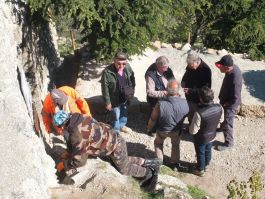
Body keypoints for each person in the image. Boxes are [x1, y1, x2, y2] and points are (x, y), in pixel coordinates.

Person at [52, 110, 162, 190]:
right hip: (112, 137)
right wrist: (69, 151)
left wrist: (65, 164)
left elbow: (80, 160)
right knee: (122, 160)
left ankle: (147, 173)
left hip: (115, 145)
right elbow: (74, 141)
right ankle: (148, 162)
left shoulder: (76, 135)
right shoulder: (78, 117)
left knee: (124, 169)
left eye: (59, 128)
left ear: (62, 126)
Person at [41, 86, 91, 177]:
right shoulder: (48, 102)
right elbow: (45, 116)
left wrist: (87, 116)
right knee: (70, 140)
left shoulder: (68, 90)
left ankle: (77, 158)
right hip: (63, 126)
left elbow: (82, 102)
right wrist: (49, 129)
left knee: (80, 139)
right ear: (55, 102)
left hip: (77, 120)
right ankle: (72, 158)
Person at [147, 80, 189, 170]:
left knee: (158, 143)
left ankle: (159, 162)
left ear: (167, 90)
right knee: (175, 145)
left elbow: (153, 118)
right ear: (178, 91)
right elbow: (187, 115)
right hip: (176, 130)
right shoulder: (185, 103)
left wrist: (149, 128)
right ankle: (175, 164)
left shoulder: (160, 104)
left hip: (162, 130)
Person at [189, 86, 223, 176]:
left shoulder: (199, 113)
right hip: (212, 135)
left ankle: (200, 169)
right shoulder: (220, 107)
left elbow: (193, 130)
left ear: (200, 98)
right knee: (208, 150)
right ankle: (207, 165)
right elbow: (221, 120)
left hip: (201, 138)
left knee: (200, 153)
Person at [101, 52, 135, 134]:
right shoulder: (107, 72)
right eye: (119, 64)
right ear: (114, 61)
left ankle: (122, 125)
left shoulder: (128, 67)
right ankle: (116, 131)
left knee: (123, 112)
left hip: (125, 96)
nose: (121, 66)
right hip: (114, 99)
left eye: (124, 64)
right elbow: (104, 88)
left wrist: (131, 93)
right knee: (115, 115)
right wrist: (107, 102)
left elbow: (132, 80)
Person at [215, 55, 242, 151]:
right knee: (222, 116)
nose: (219, 68)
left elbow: (236, 97)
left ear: (226, 67)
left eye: (221, 66)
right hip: (225, 99)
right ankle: (221, 129)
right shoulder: (230, 68)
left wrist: (227, 104)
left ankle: (229, 143)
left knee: (227, 122)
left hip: (230, 103)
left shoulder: (235, 78)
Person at [145, 56, 175, 135]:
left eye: (167, 66)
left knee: (163, 114)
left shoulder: (168, 70)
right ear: (158, 66)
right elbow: (149, 92)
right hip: (155, 100)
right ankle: (150, 129)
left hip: (166, 98)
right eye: (165, 67)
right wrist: (164, 93)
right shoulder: (150, 75)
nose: (167, 69)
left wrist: (174, 89)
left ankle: (161, 128)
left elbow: (173, 81)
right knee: (153, 116)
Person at [181, 51, 212, 123]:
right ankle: (190, 127)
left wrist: (190, 90)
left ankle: (196, 131)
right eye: (189, 65)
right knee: (190, 115)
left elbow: (205, 89)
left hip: (198, 99)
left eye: (191, 65)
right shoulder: (190, 65)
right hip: (189, 97)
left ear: (197, 62)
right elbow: (186, 74)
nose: (190, 67)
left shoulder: (206, 70)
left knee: (197, 117)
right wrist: (183, 81)